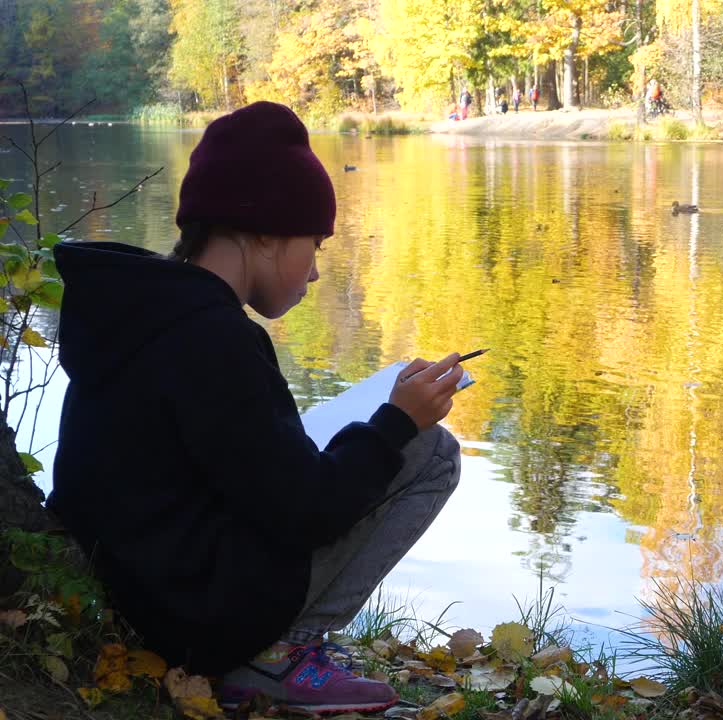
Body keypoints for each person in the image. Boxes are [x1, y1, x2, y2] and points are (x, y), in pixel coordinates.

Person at [48, 101, 464, 714]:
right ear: (265, 233)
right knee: (430, 450)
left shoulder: (139, 312)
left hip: (134, 587)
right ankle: (276, 656)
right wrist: (398, 419)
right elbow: (306, 513)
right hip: (192, 617)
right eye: (314, 244)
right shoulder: (215, 340)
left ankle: (269, 648)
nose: (316, 272)